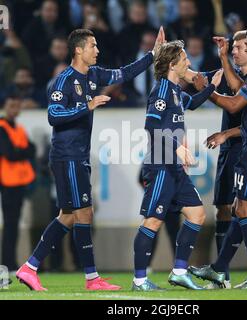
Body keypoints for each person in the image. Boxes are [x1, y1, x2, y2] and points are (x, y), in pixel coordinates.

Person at [16, 26, 166, 291]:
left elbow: (125, 72)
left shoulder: (95, 74)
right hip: (67, 155)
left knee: (68, 216)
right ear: (78, 49)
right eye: (93, 46)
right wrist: (86, 106)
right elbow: (53, 115)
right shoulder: (63, 81)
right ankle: (91, 278)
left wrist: (152, 55)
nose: (97, 50)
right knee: (83, 213)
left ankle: (30, 267)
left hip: (78, 155)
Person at [189, 23, 247, 289]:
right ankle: (219, 270)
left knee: (245, 209)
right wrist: (222, 60)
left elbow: (233, 103)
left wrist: (206, 90)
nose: (244, 50)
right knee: (240, 208)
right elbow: (240, 87)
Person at [132, 40, 223, 291]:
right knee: (152, 222)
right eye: (184, 59)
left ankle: (180, 272)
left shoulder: (175, 91)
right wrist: (176, 146)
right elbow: (151, 125)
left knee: (197, 214)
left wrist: (212, 85)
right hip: (161, 165)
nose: (189, 63)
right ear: (173, 65)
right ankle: (140, 281)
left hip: (174, 168)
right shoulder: (161, 90)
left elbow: (191, 103)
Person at [0, 95, 36, 272]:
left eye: (16, 105)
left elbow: (33, 149)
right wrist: (22, 151)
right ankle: (7, 263)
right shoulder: (2, 128)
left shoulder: (19, 128)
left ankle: (10, 262)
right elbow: (9, 153)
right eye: (11, 105)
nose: (14, 109)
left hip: (20, 182)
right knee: (9, 225)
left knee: (13, 225)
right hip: (7, 183)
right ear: (5, 107)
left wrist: (20, 151)